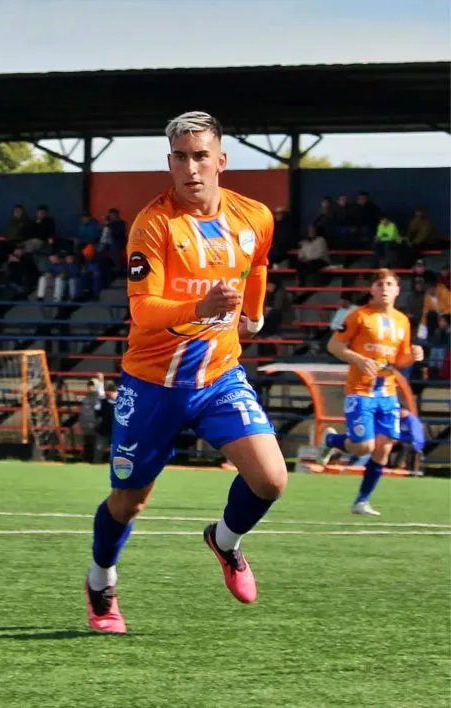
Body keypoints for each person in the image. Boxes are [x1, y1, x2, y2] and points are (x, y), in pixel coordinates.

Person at [85, 112, 287, 635]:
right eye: (180, 157)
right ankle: (101, 580)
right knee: (129, 503)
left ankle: (224, 540)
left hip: (219, 375)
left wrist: (254, 310)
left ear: (221, 160)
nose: (191, 167)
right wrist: (200, 308)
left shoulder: (256, 215)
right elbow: (142, 309)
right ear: (169, 162)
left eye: (201, 156)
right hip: (152, 383)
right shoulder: (154, 224)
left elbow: (258, 261)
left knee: (270, 480)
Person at [316, 269, 424, 516]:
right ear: (371, 289)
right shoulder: (359, 316)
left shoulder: (402, 321)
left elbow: (400, 359)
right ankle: (331, 440)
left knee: (384, 447)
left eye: (389, 284)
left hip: (386, 391)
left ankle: (361, 501)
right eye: (379, 284)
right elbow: (334, 345)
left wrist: (414, 356)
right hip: (360, 390)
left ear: (397, 290)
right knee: (364, 447)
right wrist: (357, 358)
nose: (384, 288)